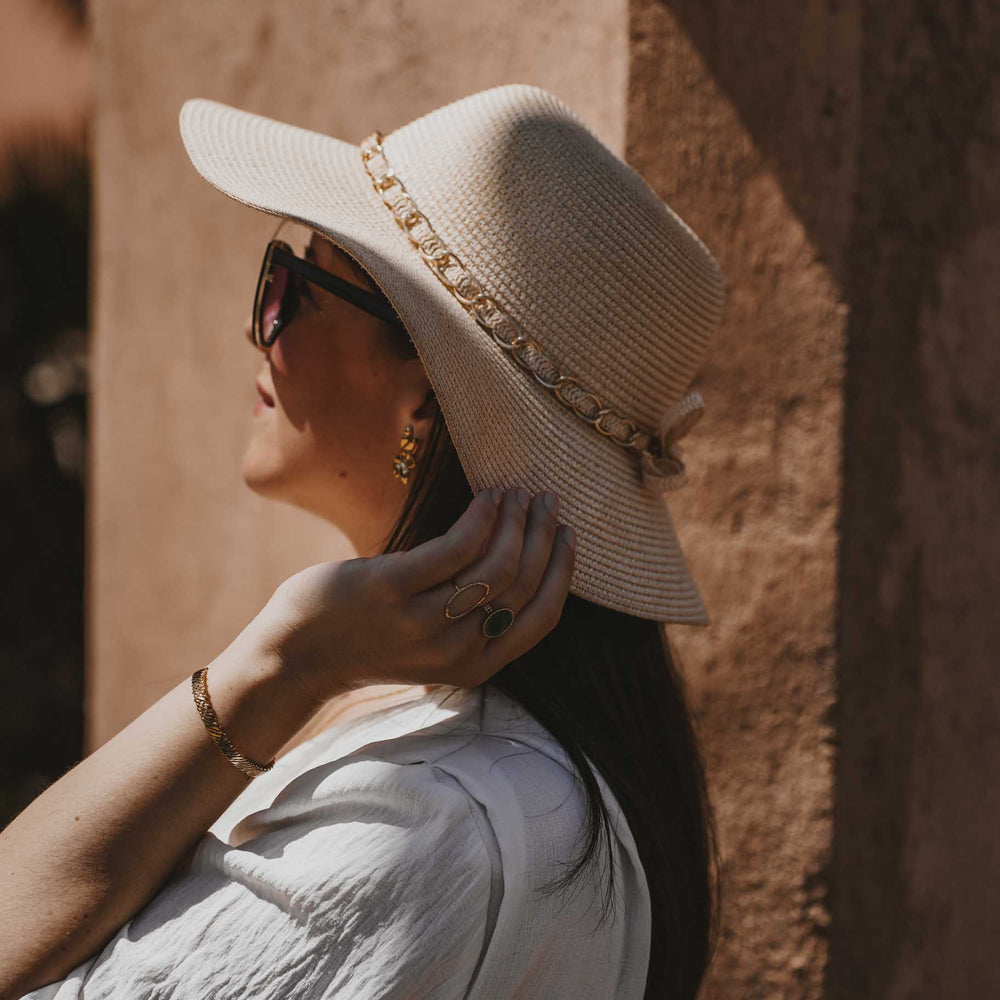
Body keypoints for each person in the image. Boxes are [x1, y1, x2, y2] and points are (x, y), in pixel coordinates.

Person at [0, 83, 725, 999]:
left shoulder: (423, 824)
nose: (261, 332)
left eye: (292, 287)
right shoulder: (445, 753)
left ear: (427, 391)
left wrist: (276, 661)